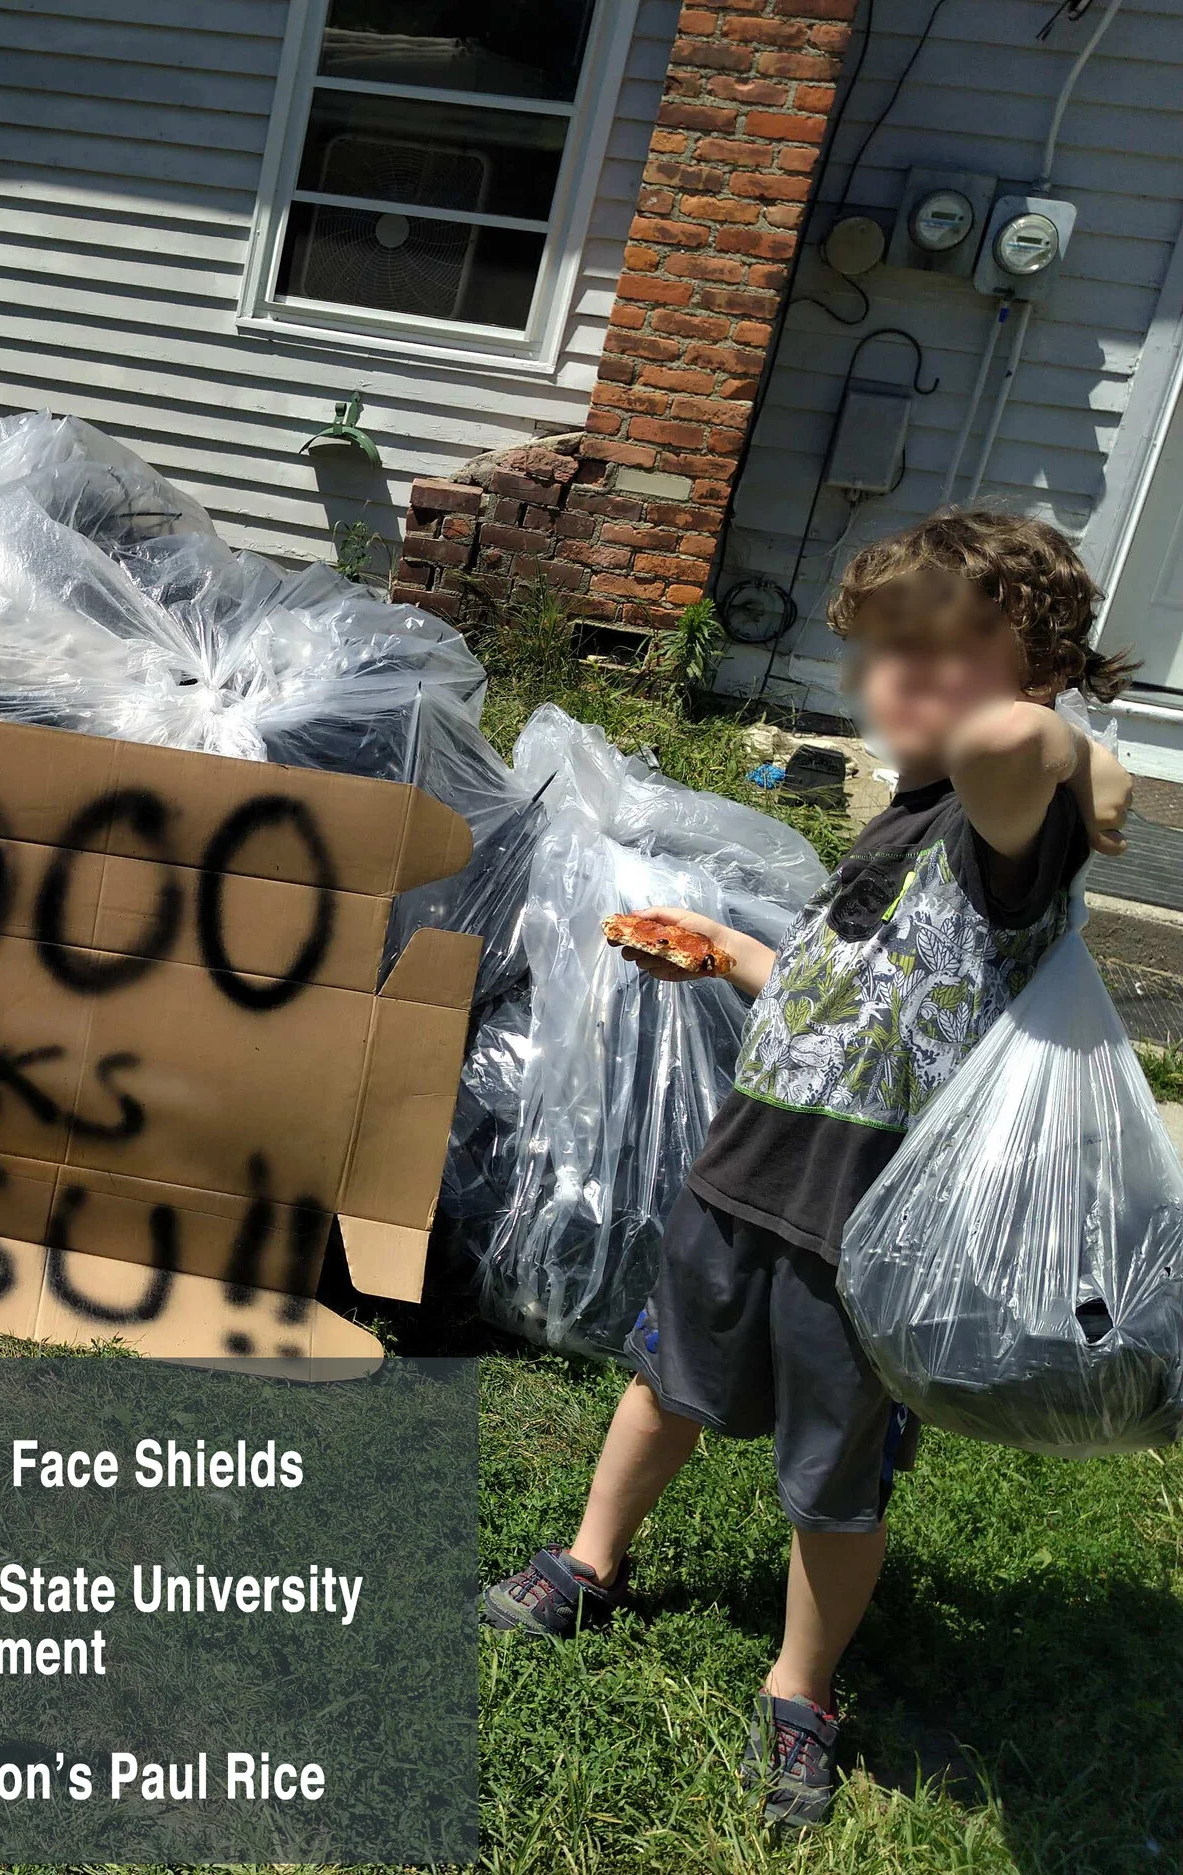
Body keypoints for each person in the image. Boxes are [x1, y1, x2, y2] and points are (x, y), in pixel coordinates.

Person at [480, 511, 1135, 1829]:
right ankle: (590, 1560)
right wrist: (730, 954)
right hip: (746, 1178)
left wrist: (1082, 741)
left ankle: (801, 1685)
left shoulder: (1012, 826)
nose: (895, 681)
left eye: (938, 655)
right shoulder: (911, 822)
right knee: (665, 1381)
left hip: (865, 1227)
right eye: (885, 653)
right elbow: (870, 1001)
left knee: (833, 1476)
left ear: (1034, 670)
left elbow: (1010, 738)